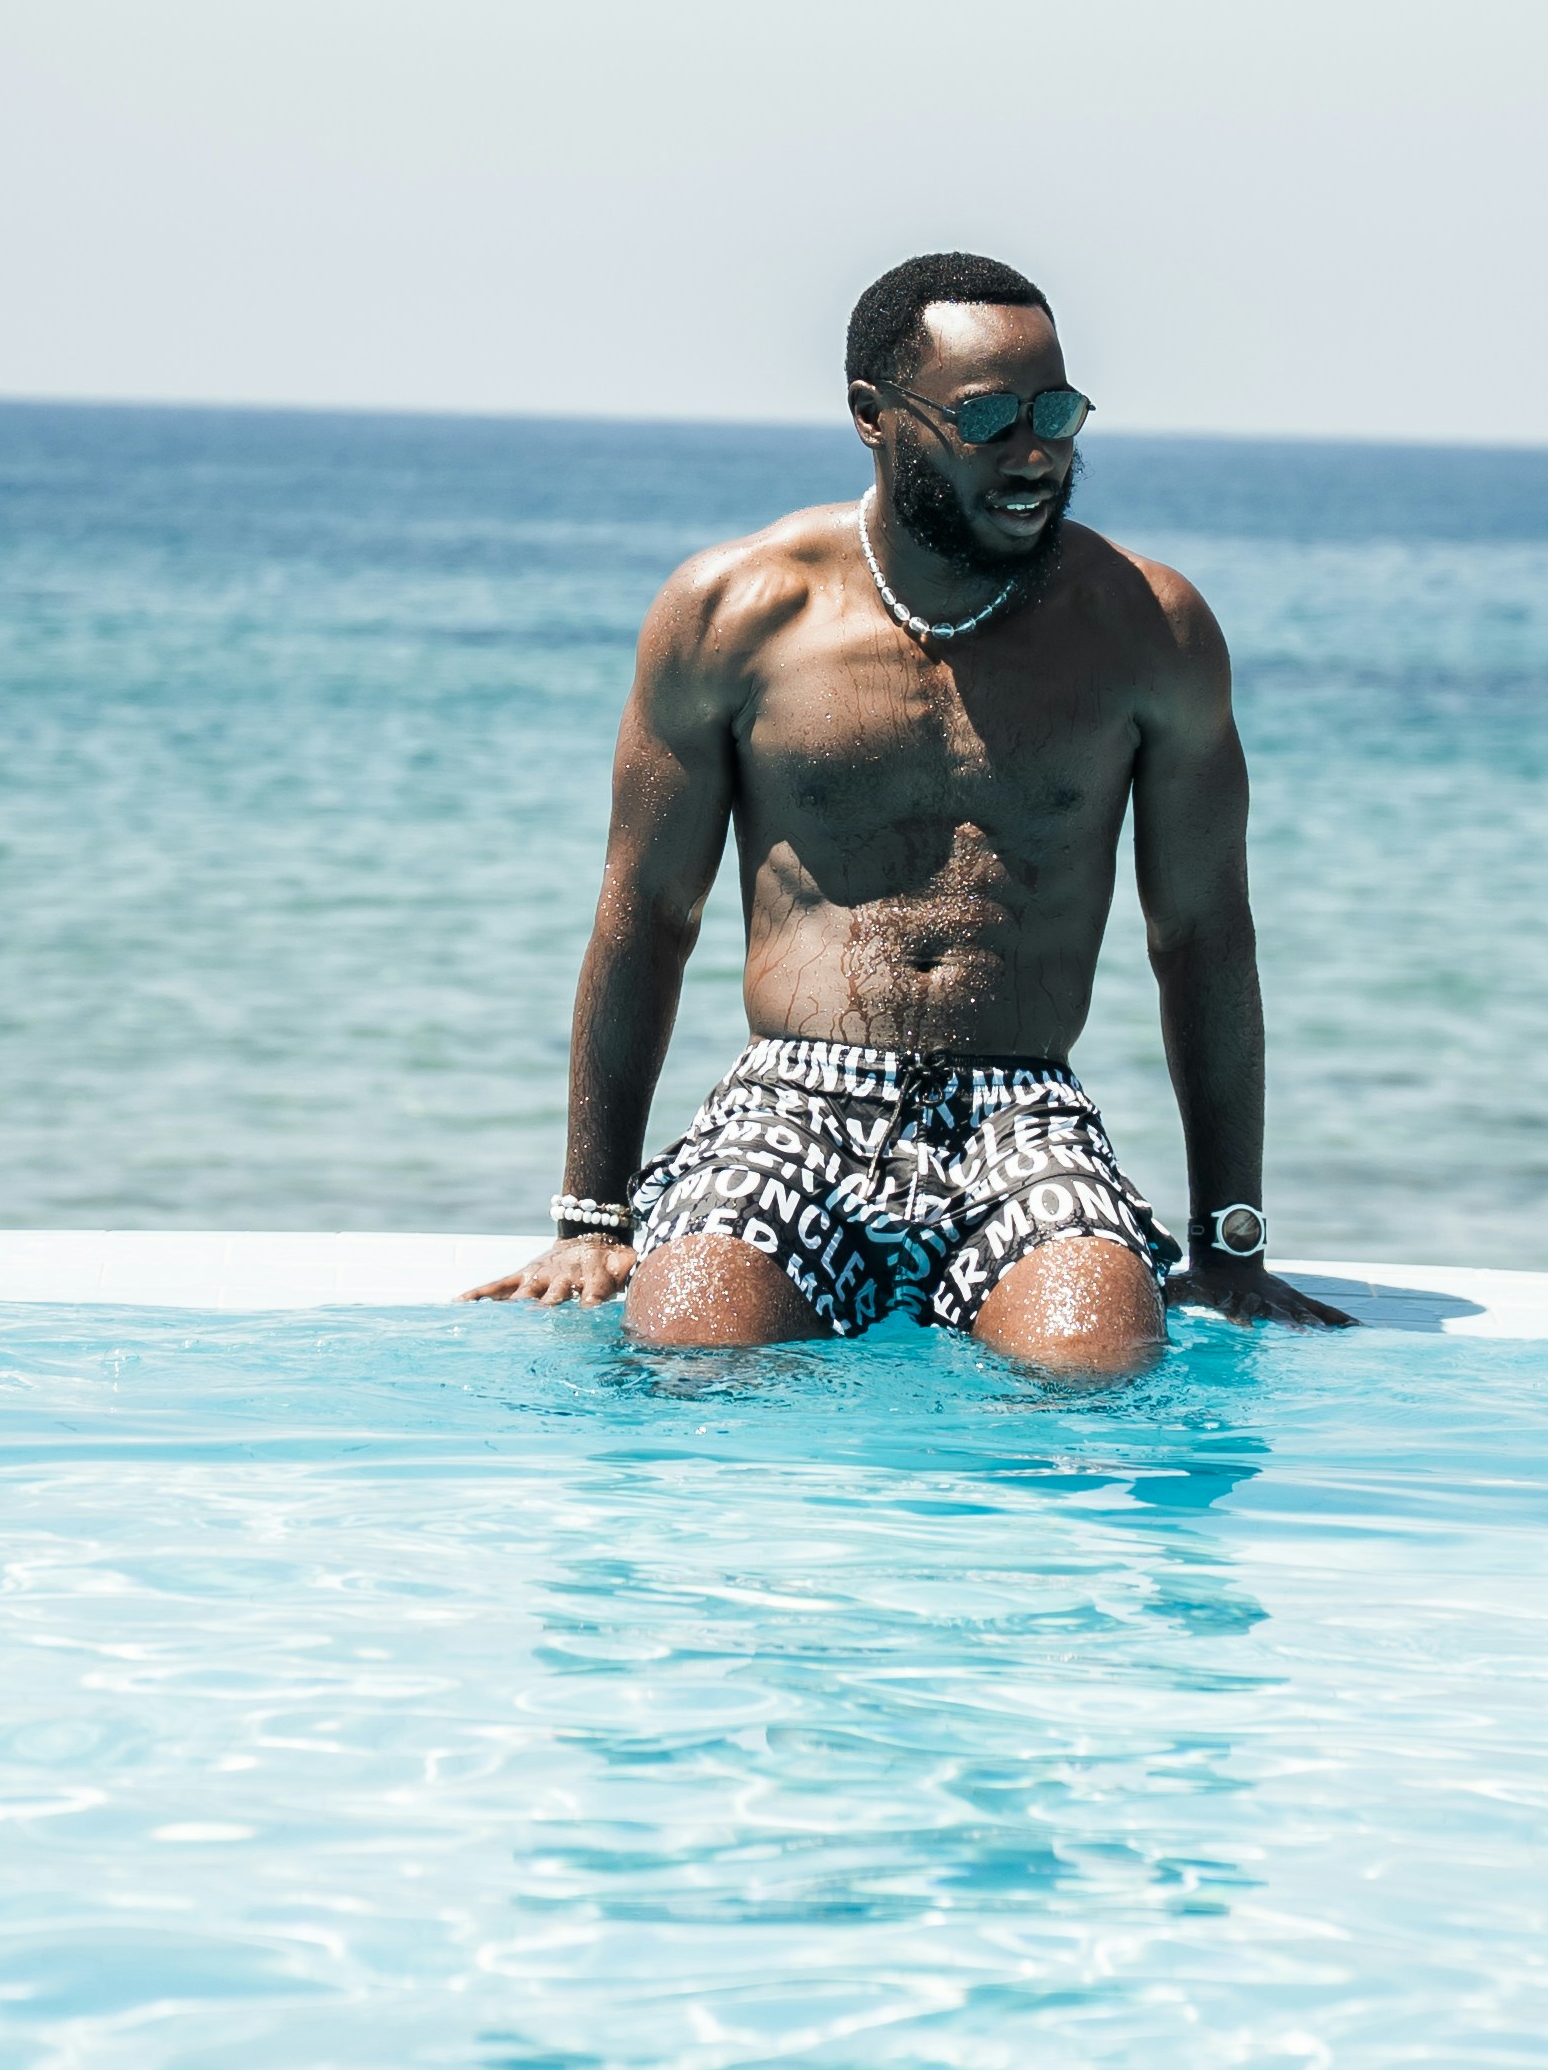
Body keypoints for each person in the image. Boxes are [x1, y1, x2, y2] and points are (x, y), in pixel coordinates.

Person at [468, 251, 1351, 1378]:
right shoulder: (732, 611)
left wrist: (1230, 1241)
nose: (1034, 453)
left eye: (1056, 413)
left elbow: (1202, 934)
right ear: (873, 417)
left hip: (1021, 1110)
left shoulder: (1148, 628)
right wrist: (591, 1217)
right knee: (692, 1343)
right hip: (791, 1098)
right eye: (987, 418)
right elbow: (646, 911)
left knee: (1095, 1360)